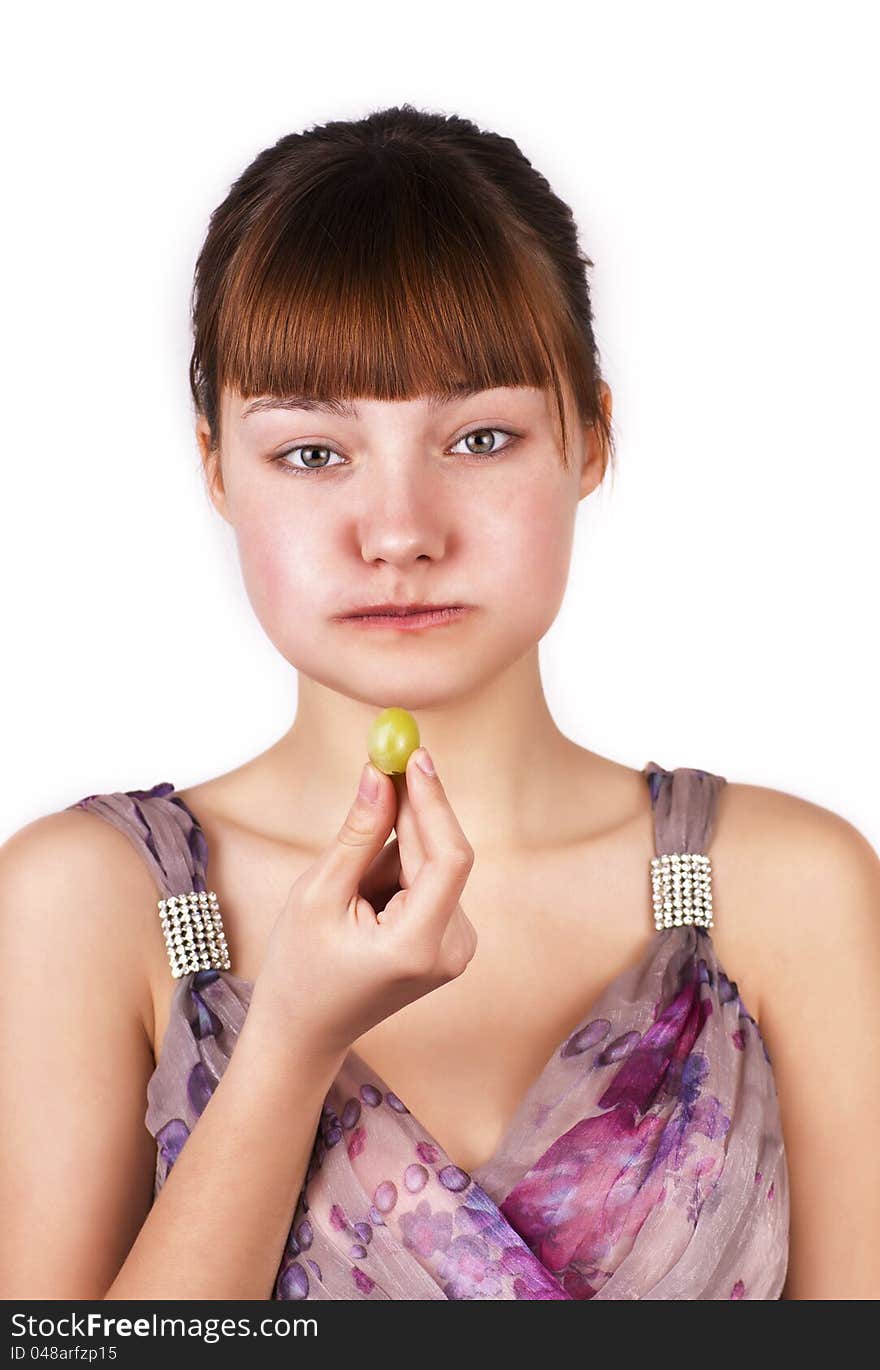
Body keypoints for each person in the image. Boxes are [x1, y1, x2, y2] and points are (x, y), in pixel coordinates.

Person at [1, 104, 878, 1303]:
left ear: (589, 444)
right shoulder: (86, 902)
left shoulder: (788, 886)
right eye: (314, 452)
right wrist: (289, 1040)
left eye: (479, 436)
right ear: (216, 467)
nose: (401, 530)